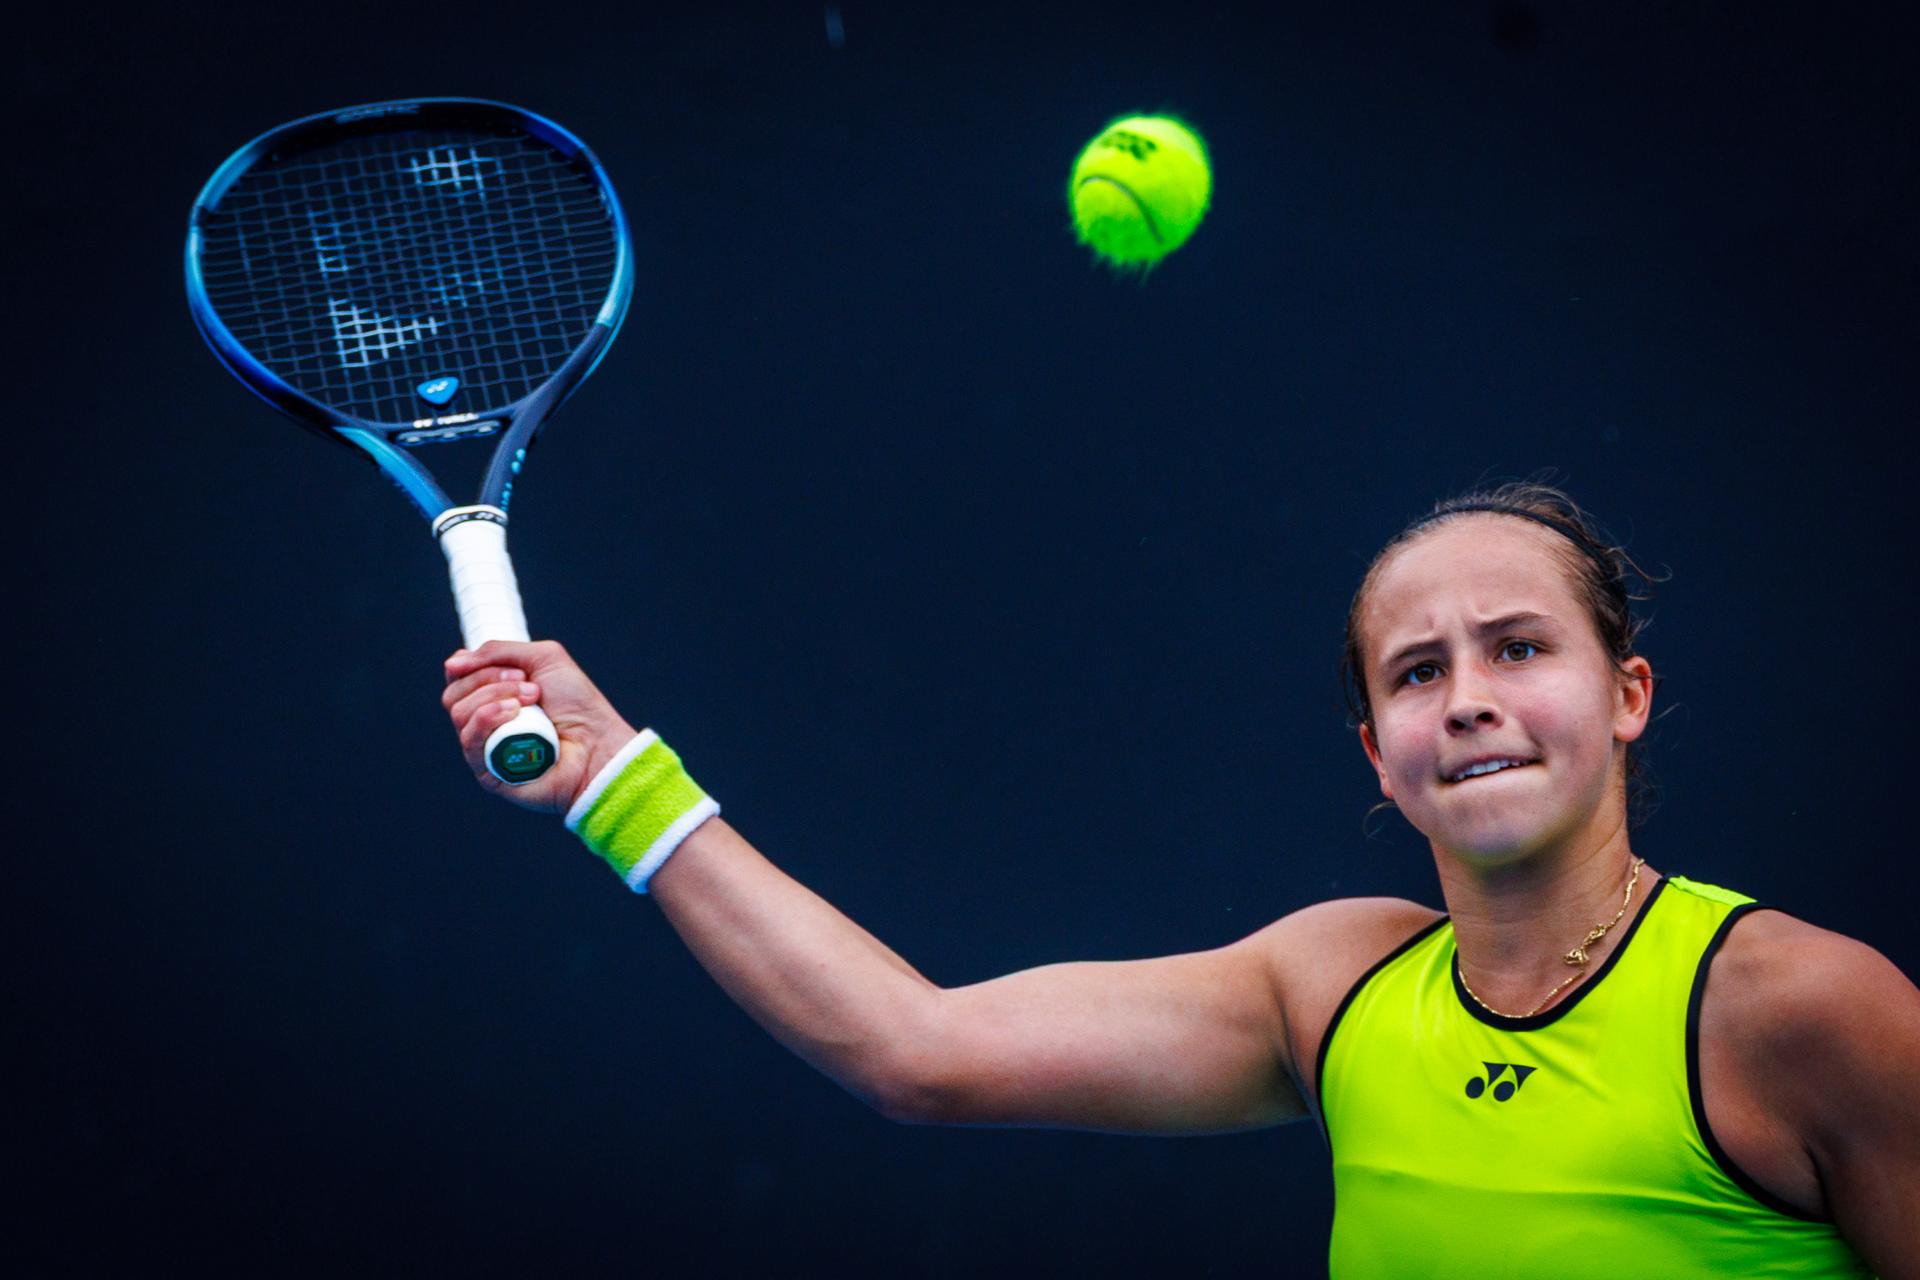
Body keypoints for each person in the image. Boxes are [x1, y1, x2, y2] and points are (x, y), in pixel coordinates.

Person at [441, 480, 1918, 1276]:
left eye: (1519, 648)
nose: (1469, 699)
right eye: (1418, 673)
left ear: (1627, 694)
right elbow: (918, 1049)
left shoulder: (1804, 1010)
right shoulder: (1333, 985)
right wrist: (616, 784)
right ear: (1377, 752)